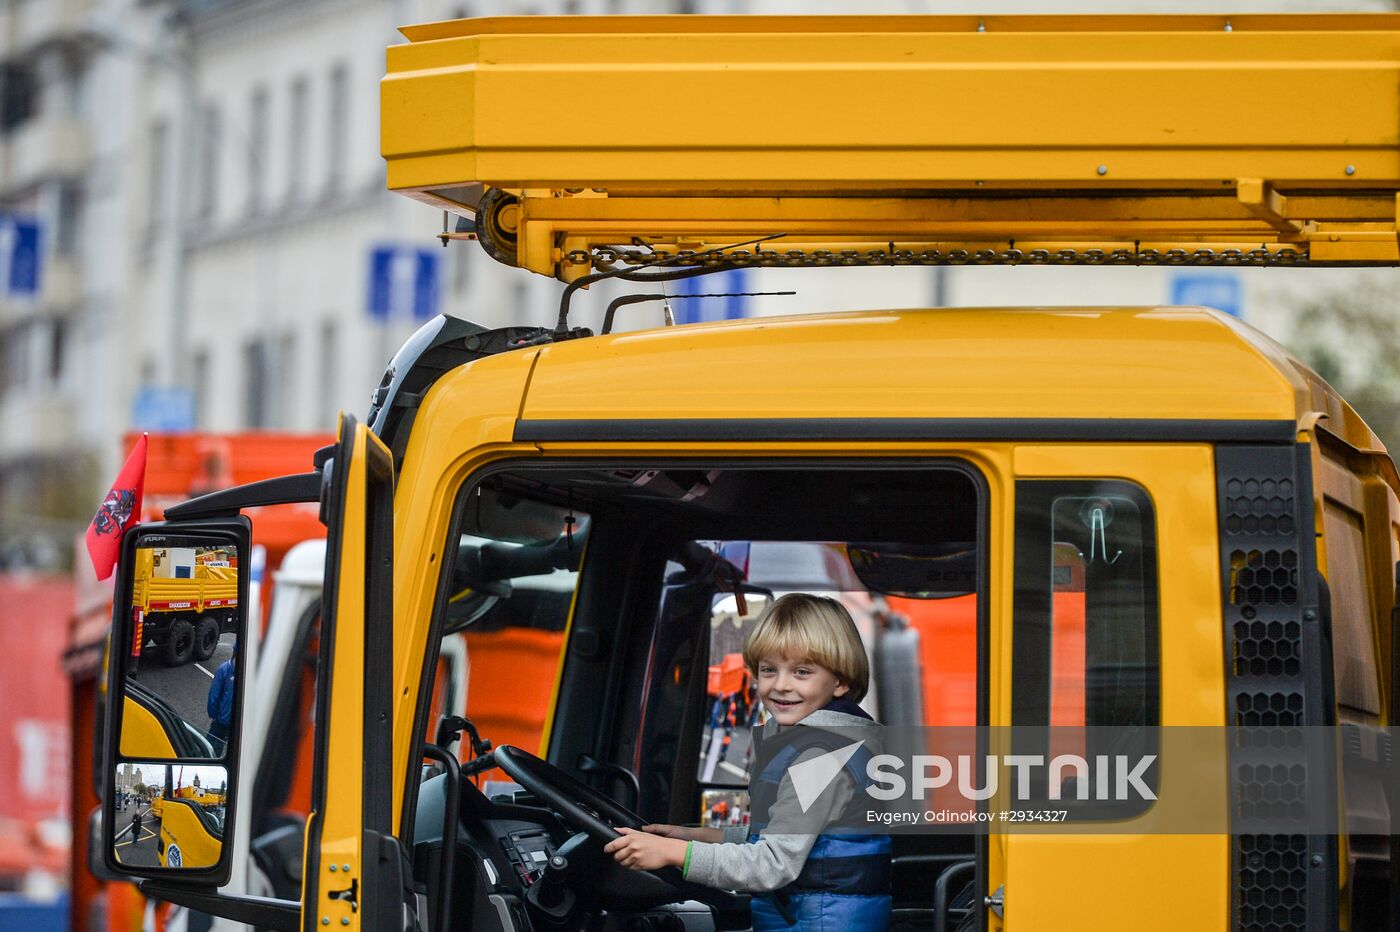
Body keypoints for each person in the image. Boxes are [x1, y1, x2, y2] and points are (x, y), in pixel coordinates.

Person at [604, 593, 892, 930]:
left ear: (840, 681)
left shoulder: (820, 759)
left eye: (801, 672)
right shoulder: (828, 743)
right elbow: (785, 836)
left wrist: (673, 854)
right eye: (768, 670)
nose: (780, 685)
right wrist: (693, 836)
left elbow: (772, 864)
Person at [206, 653, 235, 753]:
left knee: (221, 744)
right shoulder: (224, 670)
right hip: (221, 720)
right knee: (211, 743)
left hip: (233, 721)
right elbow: (214, 694)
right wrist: (213, 714)